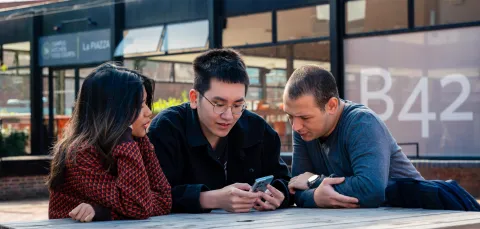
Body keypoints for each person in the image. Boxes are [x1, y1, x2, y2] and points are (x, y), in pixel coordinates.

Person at [148, 48, 292, 213]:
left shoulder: (258, 129)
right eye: (219, 104)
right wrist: (211, 198)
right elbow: (151, 195)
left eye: (237, 105)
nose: (228, 116)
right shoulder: (166, 129)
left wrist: (279, 194)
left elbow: (285, 181)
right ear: (194, 98)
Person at [285, 65, 423, 208]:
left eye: (305, 117)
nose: (295, 126)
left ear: (332, 106)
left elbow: (371, 191)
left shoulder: (362, 123)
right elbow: (296, 187)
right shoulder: (303, 130)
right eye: (290, 116)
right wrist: (315, 197)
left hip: (415, 216)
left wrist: (314, 181)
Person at [47, 63, 172, 222]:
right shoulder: (81, 153)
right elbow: (139, 206)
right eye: (139, 105)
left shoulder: (138, 141)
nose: (148, 112)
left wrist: (103, 213)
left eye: (146, 103)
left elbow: (164, 200)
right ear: (114, 110)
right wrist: (124, 137)